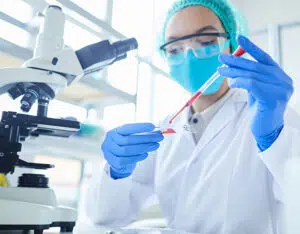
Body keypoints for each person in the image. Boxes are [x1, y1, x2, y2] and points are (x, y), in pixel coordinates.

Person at [86, 0, 300, 233]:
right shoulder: (165, 130)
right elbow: (105, 217)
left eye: (206, 41)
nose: (189, 56)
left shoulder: (268, 115)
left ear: (230, 44)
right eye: (175, 48)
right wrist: (116, 171)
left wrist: (275, 141)